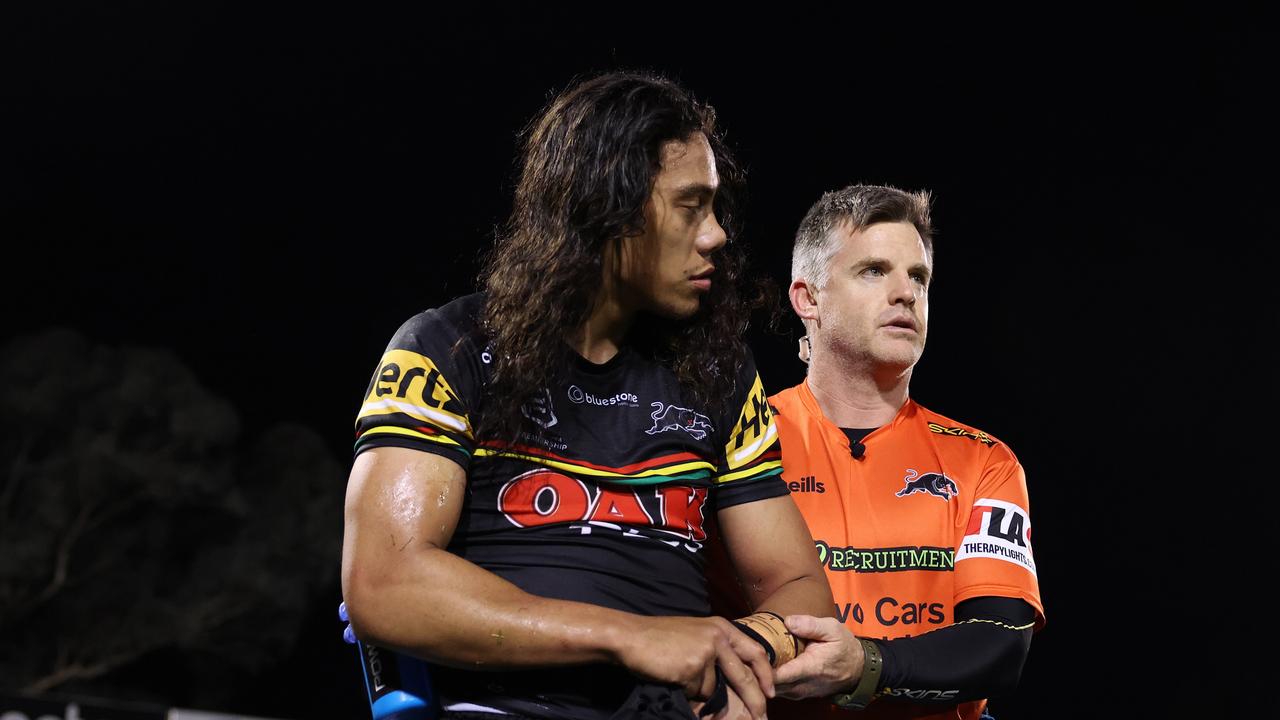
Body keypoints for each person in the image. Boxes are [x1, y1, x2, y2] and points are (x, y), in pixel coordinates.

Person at [339, 72, 833, 720]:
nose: (716, 235)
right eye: (691, 206)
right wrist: (629, 639)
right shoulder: (446, 349)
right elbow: (384, 583)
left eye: (715, 208)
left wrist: (743, 650)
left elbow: (801, 592)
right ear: (611, 206)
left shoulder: (720, 375)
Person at [765, 185, 1044, 719]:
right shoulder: (744, 440)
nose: (906, 294)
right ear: (808, 298)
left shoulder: (985, 462)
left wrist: (864, 665)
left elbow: (1002, 641)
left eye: (918, 277)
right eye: (874, 271)